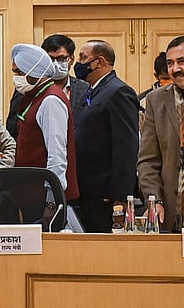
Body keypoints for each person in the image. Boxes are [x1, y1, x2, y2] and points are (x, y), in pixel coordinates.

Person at [72, 40, 138, 233]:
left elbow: (126, 145)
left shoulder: (119, 91)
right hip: (87, 188)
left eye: (83, 58)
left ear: (99, 62)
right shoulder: (92, 90)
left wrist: (120, 194)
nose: (78, 63)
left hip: (105, 194)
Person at [139, 36, 184, 231]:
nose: (175, 69)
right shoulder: (157, 100)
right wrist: (153, 200)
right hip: (173, 214)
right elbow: (148, 160)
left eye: (182, 61)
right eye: (170, 63)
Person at [10, 44, 79, 202]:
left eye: (19, 72)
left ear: (34, 71)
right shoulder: (35, 96)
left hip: (45, 196)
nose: (15, 77)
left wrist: (51, 199)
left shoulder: (50, 100)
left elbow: (57, 154)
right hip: (31, 191)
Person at [7, 34, 90, 139]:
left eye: (61, 58)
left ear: (72, 59)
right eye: (50, 58)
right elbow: (12, 128)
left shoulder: (85, 89)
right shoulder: (28, 88)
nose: (55, 64)